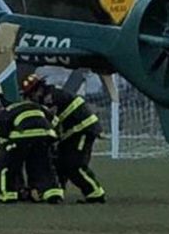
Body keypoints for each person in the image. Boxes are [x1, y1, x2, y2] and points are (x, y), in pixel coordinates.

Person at [21, 74, 106, 203]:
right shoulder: (51, 94)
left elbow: (51, 121)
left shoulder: (50, 98)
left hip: (83, 129)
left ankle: (95, 194)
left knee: (75, 164)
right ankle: (57, 192)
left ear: (38, 89)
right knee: (60, 162)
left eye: (31, 94)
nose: (31, 98)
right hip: (72, 133)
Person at [0, 98, 64, 204]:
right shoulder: (36, 105)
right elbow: (55, 121)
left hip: (22, 136)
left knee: (8, 165)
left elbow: (3, 137)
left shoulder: (7, 111)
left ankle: (8, 194)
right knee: (44, 165)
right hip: (45, 134)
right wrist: (55, 138)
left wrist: (5, 149)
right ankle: (53, 193)